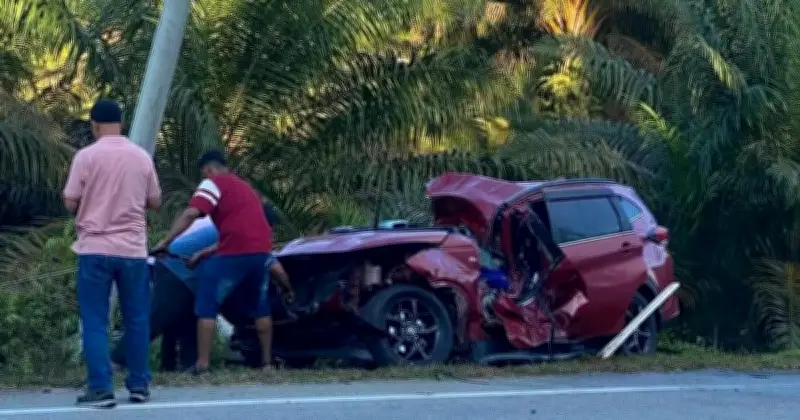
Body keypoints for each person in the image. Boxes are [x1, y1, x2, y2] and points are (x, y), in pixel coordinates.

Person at [63, 99, 160, 408]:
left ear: (94, 125)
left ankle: (101, 388)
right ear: (121, 123)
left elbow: (70, 201)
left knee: (95, 321)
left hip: (94, 249)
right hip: (133, 251)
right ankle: (139, 385)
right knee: (137, 319)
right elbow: (155, 200)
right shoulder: (141, 157)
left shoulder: (85, 157)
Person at [151, 149, 277, 375]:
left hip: (231, 255)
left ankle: (203, 364)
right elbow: (242, 231)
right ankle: (267, 365)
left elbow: (191, 214)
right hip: (260, 253)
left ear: (208, 169)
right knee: (261, 308)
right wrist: (202, 254)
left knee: (206, 306)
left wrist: (166, 242)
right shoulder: (248, 188)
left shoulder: (213, 183)